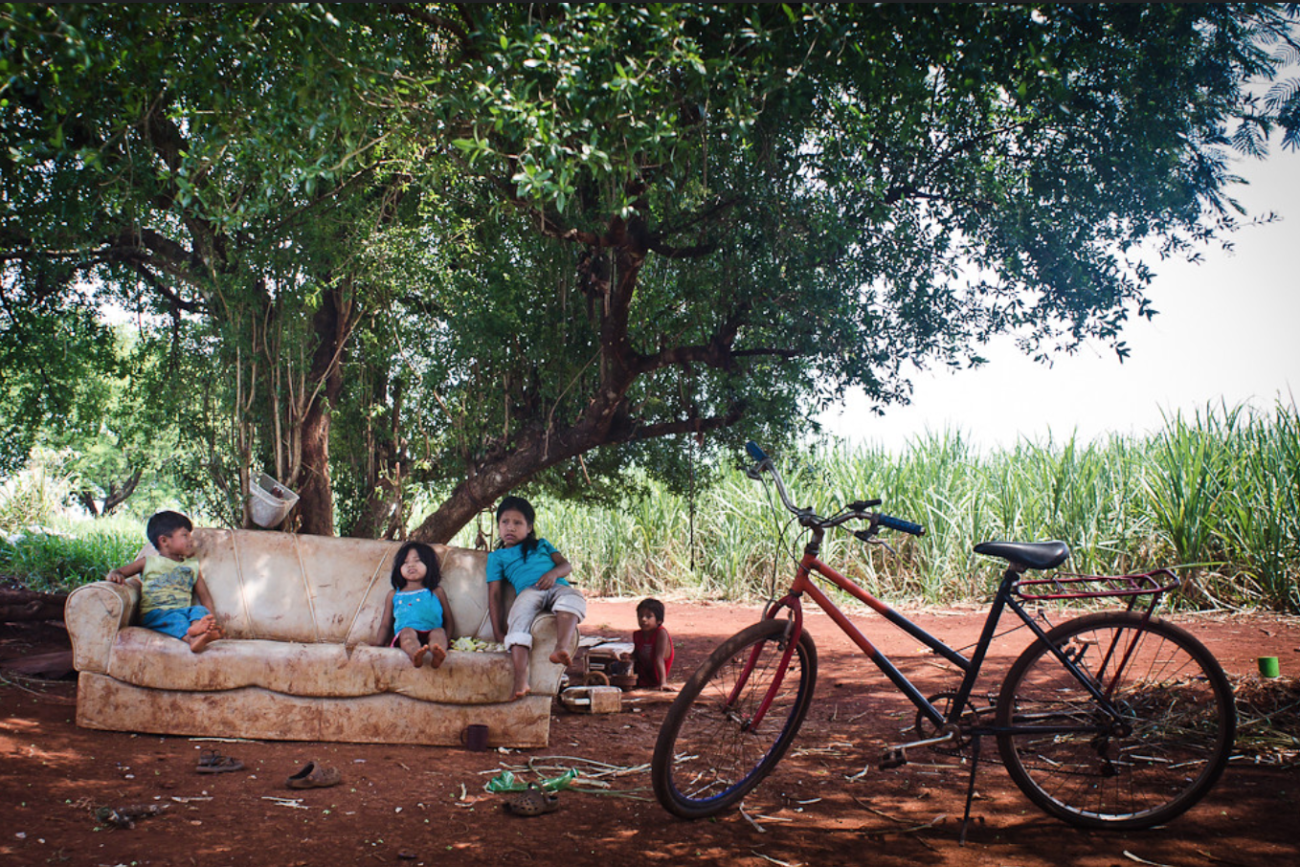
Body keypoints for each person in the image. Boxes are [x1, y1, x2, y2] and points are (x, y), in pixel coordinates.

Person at [487, 496, 585, 699]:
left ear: (529, 527)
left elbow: (566, 565)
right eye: (504, 522)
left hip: (557, 585)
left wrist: (553, 574)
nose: (510, 528)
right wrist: (497, 630)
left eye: (517, 523)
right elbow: (495, 594)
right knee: (518, 619)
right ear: (498, 526)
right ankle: (521, 680)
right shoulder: (496, 557)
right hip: (529, 592)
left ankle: (561, 648)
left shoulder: (541, 545)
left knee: (573, 599)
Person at [106, 510, 223, 652]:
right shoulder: (148, 562)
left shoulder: (192, 565)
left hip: (183, 611)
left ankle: (202, 631)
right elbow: (120, 571)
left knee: (198, 610)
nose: (190, 540)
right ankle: (191, 638)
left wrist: (211, 620)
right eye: (185, 535)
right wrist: (114, 575)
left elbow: (205, 597)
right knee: (175, 619)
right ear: (164, 541)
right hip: (155, 613)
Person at [375, 541, 455, 668]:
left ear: (429, 565)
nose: (411, 565)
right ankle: (415, 654)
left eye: (417, 560)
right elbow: (385, 624)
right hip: (407, 634)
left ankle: (438, 654)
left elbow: (449, 620)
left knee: (439, 632)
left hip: (432, 631)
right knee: (406, 633)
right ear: (399, 568)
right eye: (405, 562)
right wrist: (378, 644)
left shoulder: (436, 591)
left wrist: (447, 638)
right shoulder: (394, 595)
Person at [628, 597, 675, 690]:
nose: (643, 619)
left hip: (655, 678)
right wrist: (628, 657)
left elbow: (659, 658)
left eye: (648, 616)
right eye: (640, 616)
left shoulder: (661, 633)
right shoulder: (637, 635)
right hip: (641, 677)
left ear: (659, 620)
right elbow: (636, 655)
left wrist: (663, 683)